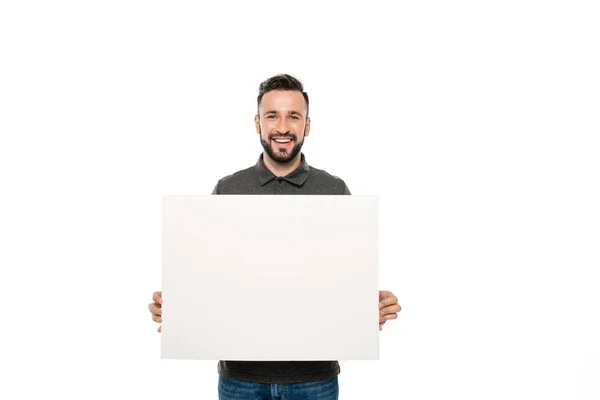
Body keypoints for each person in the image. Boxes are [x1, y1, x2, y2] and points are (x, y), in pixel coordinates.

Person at [148, 74, 401, 400]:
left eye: (293, 116)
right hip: (241, 378)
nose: (283, 127)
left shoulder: (334, 191)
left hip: (314, 379)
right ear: (257, 122)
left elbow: (345, 277)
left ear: (307, 125)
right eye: (272, 116)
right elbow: (209, 275)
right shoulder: (228, 190)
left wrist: (368, 307)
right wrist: (181, 308)